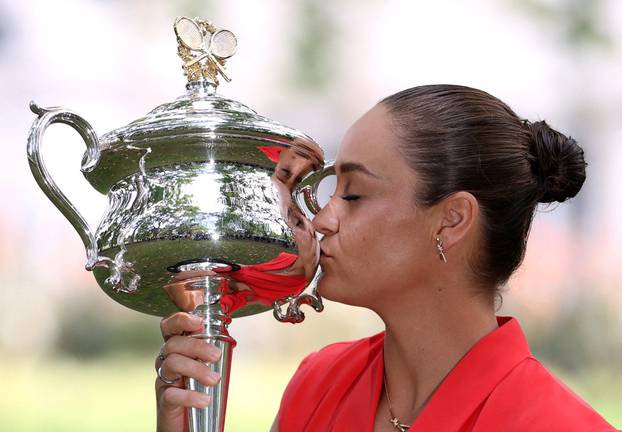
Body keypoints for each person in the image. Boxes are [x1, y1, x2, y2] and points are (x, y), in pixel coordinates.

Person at [154, 85, 617, 431]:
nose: (321, 220)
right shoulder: (320, 384)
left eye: (353, 194)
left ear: (452, 220)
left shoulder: (554, 423)